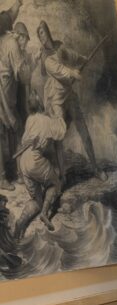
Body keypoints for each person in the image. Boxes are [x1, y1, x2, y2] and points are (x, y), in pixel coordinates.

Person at [36, 20, 104, 183]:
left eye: (43, 32)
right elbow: (60, 71)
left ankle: (95, 168)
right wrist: (73, 73)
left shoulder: (59, 47)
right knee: (59, 136)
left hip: (69, 94)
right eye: (39, 35)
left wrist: (83, 58)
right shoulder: (46, 59)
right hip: (56, 100)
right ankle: (62, 175)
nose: (42, 37)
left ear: (48, 32)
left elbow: (71, 55)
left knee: (84, 130)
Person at [14, 90, 66, 238]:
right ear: (42, 104)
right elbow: (61, 132)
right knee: (55, 184)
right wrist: (57, 114)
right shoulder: (48, 121)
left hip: (24, 161)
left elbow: (24, 140)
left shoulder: (30, 119)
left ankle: (20, 223)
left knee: (36, 199)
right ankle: (44, 213)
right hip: (35, 160)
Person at [0, 21, 30, 190]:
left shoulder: (8, 42)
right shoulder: (12, 44)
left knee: (16, 131)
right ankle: (2, 178)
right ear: (20, 36)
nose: (26, 43)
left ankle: (18, 173)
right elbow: (23, 75)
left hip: (7, 97)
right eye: (26, 39)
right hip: (1, 97)